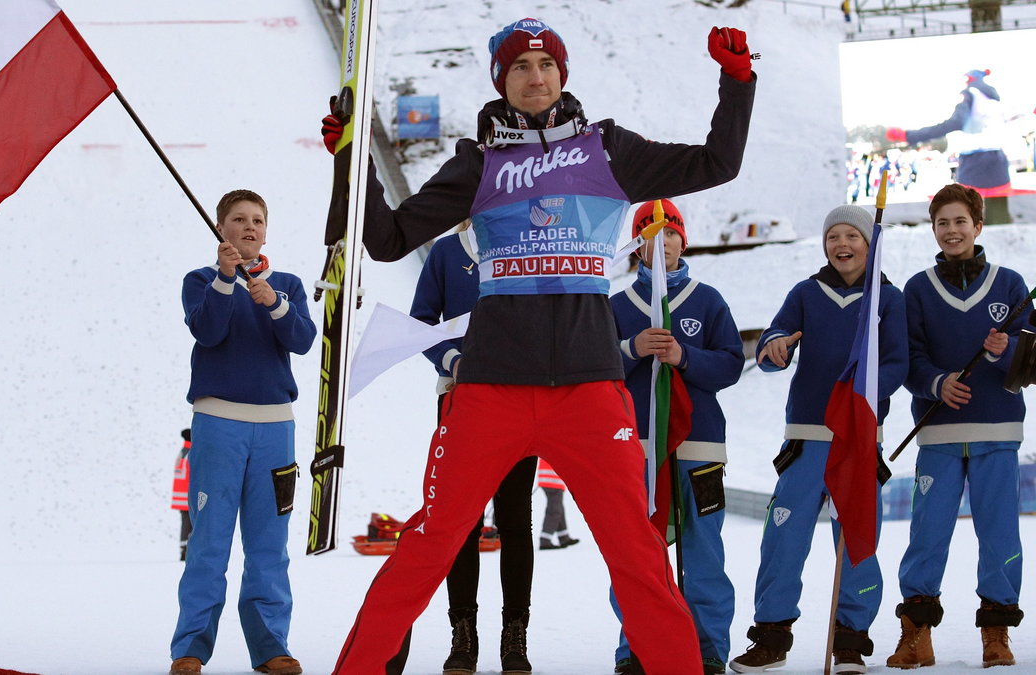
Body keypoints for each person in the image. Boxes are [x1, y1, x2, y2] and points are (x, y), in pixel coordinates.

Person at [322, 17, 756, 674]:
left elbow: (716, 162)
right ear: (501, 78)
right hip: (492, 386)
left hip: (589, 387)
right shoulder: (480, 162)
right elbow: (384, 239)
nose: (535, 77)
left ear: (563, 74)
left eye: (546, 64)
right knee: (431, 542)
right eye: (520, 67)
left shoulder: (607, 151)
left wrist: (737, 81)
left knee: (637, 555)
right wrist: (350, 161)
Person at [729, 205, 908, 675]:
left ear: (870, 245)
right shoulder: (807, 292)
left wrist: (867, 390)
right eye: (834, 237)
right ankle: (771, 637)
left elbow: (897, 363)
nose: (842, 244)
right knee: (783, 539)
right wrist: (775, 349)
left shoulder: (887, 299)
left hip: (858, 436)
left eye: (853, 235)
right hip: (806, 436)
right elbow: (775, 338)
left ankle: (850, 642)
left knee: (856, 543)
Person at [169, 190, 317, 675]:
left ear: (266, 230)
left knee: (269, 545)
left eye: (257, 220)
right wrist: (228, 279)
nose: (249, 227)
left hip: (275, 429)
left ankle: (272, 644)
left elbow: (301, 339)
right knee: (209, 541)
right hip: (218, 425)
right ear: (221, 229)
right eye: (238, 220)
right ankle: (190, 647)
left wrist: (274, 303)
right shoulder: (201, 281)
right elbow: (207, 331)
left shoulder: (288, 284)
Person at [885, 183, 1027, 670]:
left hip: (998, 431)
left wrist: (1004, 350)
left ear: (978, 225)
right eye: (942, 222)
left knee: (1000, 534)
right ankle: (916, 634)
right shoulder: (918, 289)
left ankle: (996, 631)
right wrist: (936, 383)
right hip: (939, 435)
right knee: (927, 533)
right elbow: (908, 359)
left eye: (960, 221)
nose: (951, 230)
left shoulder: (1010, 285)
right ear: (933, 229)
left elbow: (1033, 358)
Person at [609, 200, 743, 675]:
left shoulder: (707, 300)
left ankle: (707, 648)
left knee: (703, 548)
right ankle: (637, 647)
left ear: (682, 241)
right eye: (650, 234)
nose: (661, 243)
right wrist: (631, 349)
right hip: (635, 449)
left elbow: (730, 365)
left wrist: (685, 356)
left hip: (699, 446)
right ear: (637, 246)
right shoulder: (619, 305)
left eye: (669, 234)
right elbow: (595, 369)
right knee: (636, 552)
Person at [408, 221, 540, 673]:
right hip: (461, 399)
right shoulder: (446, 252)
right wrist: (454, 359)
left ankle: (514, 634)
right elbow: (421, 320)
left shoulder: (528, 243)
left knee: (515, 519)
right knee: (461, 520)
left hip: (521, 398)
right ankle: (463, 634)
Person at [885, 69, 1013, 222]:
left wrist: (909, 135)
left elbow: (954, 123)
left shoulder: (970, 94)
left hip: (974, 163)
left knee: (967, 218)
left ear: (969, 79)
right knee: (999, 218)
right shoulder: (994, 99)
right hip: (998, 162)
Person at [536, 458, 578, 550]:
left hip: (549, 479)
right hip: (552, 481)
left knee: (559, 509)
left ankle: (564, 537)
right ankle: (545, 540)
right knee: (555, 511)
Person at [173, 428, 193, 561]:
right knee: (190, 524)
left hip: (180, 495)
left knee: (185, 523)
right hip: (187, 495)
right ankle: (186, 550)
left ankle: (184, 548)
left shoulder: (182, 452)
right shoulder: (191, 453)